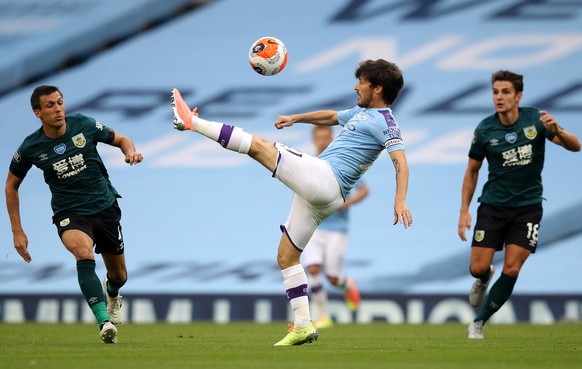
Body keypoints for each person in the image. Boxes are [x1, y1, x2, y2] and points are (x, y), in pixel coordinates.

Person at [170, 59, 412, 346]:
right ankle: (302, 324)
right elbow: (331, 116)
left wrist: (400, 200)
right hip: (324, 197)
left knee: (260, 147)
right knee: (286, 257)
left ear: (378, 88)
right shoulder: (361, 113)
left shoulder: (386, 122)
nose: (356, 86)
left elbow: (401, 162)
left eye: (362, 82)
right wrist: (296, 118)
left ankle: (193, 122)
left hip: (326, 179)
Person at [5, 85, 143, 344]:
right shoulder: (31, 147)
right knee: (82, 252)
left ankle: (111, 292)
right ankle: (104, 322)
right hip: (69, 212)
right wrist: (17, 230)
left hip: (104, 206)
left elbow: (122, 139)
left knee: (119, 276)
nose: (57, 109)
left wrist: (130, 152)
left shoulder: (84, 125)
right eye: (50, 105)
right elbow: (11, 185)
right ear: (37, 112)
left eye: (60, 103)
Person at [457, 70, 580, 339]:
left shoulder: (535, 120)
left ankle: (478, 323)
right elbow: (472, 171)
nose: (499, 97)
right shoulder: (485, 129)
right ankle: (483, 277)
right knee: (478, 267)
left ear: (518, 96)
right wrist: (464, 210)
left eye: (505, 92)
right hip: (492, 206)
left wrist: (557, 130)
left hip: (528, 208)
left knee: (512, 267)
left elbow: (575, 146)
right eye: (495, 92)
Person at [302, 125, 370, 329]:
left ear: (331, 139)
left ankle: (346, 283)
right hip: (313, 225)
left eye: (326, 137)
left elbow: (364, 190)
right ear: (314, 140)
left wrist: (345, 203)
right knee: (313, 268)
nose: (322, 141)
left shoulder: (342, 162)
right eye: (319, 137)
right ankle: (323, 316)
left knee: (332, 277)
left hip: (337, 229)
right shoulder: (307, 163)